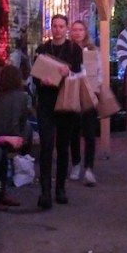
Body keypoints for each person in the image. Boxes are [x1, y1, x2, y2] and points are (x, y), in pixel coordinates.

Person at [33, 14, 83, 210]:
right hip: (46, 102)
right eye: (55, 26)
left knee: (63, 146)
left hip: (65, 102)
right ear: (51, 28)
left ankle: (60, 188)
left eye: (61, 26)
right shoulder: (43, 49)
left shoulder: (74, 49)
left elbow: (80, 74)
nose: (58, 29)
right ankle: (45, 190)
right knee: (46, 145)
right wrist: (42, 80)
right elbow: (35, 75)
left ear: (66, 28)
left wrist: (67, 73)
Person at [0, 64, 32, 212]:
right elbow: (24, 120)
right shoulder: (23, 97)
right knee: (0, 155)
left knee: (0, 154)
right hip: (11, 139)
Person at [68, 20, 99, 187]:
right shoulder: (68, 49)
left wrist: (96, 89)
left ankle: (89, 167)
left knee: (89, 132)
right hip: (72, 93)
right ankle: (76, 163)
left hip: (88, 93)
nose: (78, 32)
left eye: (80, 29)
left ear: (85, 32)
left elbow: (97, 72)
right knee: (73, 130)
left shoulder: (92, 50)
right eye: (74, 29)